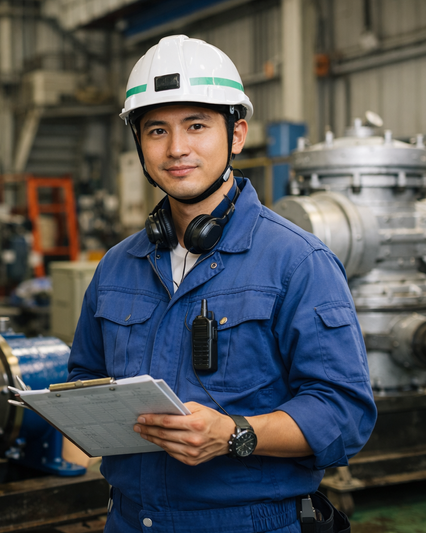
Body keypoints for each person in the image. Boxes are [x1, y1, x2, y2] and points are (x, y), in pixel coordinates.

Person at [67, 35, 376, 533]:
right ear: (139, 146)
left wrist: (236, 434)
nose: (176, 149)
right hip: (128, 519)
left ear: (236, 135)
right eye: (156, 131)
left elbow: (344, 414)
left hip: (250, 522)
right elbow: (85, 377)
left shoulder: (297, 262)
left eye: (196, 126)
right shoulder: (116, 267)